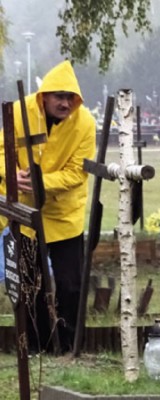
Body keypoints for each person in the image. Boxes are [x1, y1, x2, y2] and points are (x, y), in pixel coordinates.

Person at [0, 60, 96, 353]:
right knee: (31, 285)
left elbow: (77, 173)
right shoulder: (19, 112)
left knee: (70, 285)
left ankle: (68, 346)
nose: (65, 103)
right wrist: (10, 173)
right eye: (59, 96)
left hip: (63, 213)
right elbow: (2, 150)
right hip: (24, 212)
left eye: (70, 97)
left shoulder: (85, 124)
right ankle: (37, 346)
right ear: (45, 96)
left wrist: (42, 181)